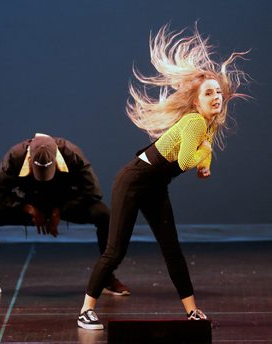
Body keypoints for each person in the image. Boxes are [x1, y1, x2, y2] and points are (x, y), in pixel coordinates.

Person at [77, 23, 249, 330]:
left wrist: (205, 162)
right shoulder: (196, 121)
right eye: (209, 93)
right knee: (116, 250)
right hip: (135, 180)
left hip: (156, 185)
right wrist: (200, 158)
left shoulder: (207, 126)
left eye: (218, 93)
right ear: (196, 102)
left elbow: (200, 152)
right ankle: (86, 310)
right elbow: (185, 159)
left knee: (172, 248)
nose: (216, 97)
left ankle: (192, 311)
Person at [0, 133, 130, 296]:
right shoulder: (15, 156)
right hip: (29, 204)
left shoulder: (72, 154)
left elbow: (93, 191)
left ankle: (107, 277)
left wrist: (59, 210)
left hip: (64, 204)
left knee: (104, 215)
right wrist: (28, 208)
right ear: (29, 161)